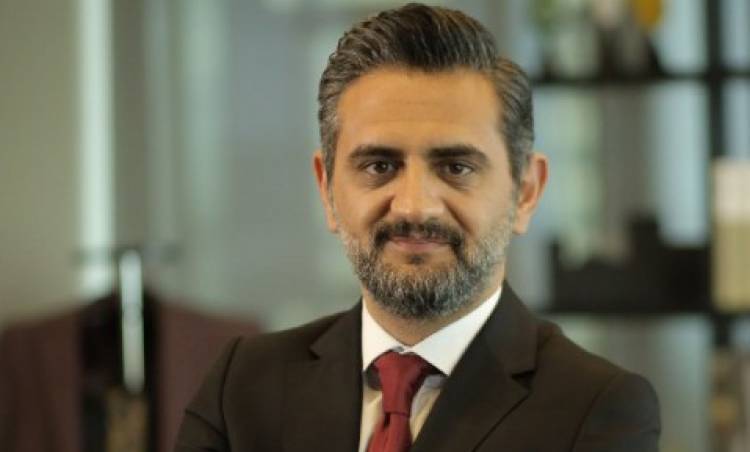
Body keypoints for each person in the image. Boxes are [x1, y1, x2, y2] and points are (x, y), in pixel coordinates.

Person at [175, 3, 660, 452]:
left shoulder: (598, 409)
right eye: (380, 166)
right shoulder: (242, 387)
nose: (414, 206)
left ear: (526, 191)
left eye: (455, 167)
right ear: (326, 189)